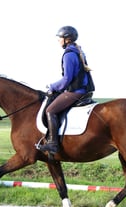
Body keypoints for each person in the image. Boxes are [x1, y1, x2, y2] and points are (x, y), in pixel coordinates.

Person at [38, 26, 95, 154]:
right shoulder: (78, 50)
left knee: (50, 110)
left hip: (76, 91)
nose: (58, 41)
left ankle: (53, 143)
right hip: (84, 89)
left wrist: (51, 86)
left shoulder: (69, 54)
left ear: (67, 39)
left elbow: (67, 79)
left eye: (60, 38)